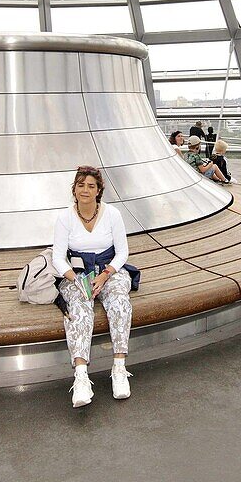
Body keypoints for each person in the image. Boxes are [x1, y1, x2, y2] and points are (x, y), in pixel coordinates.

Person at [53, 166, 140, 408]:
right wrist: (75, 279)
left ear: (99, 190)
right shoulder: (65, 218)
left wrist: (104, 276)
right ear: (74, 189)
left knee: (120, 302)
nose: (85, 190)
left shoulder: (113, 214)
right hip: (77, 274)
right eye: (81, 185)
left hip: (109, 270)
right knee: (79, 308)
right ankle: (81, 376)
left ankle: (119, 368)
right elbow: (58, 258)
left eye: (91, 186)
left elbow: (122, 252)